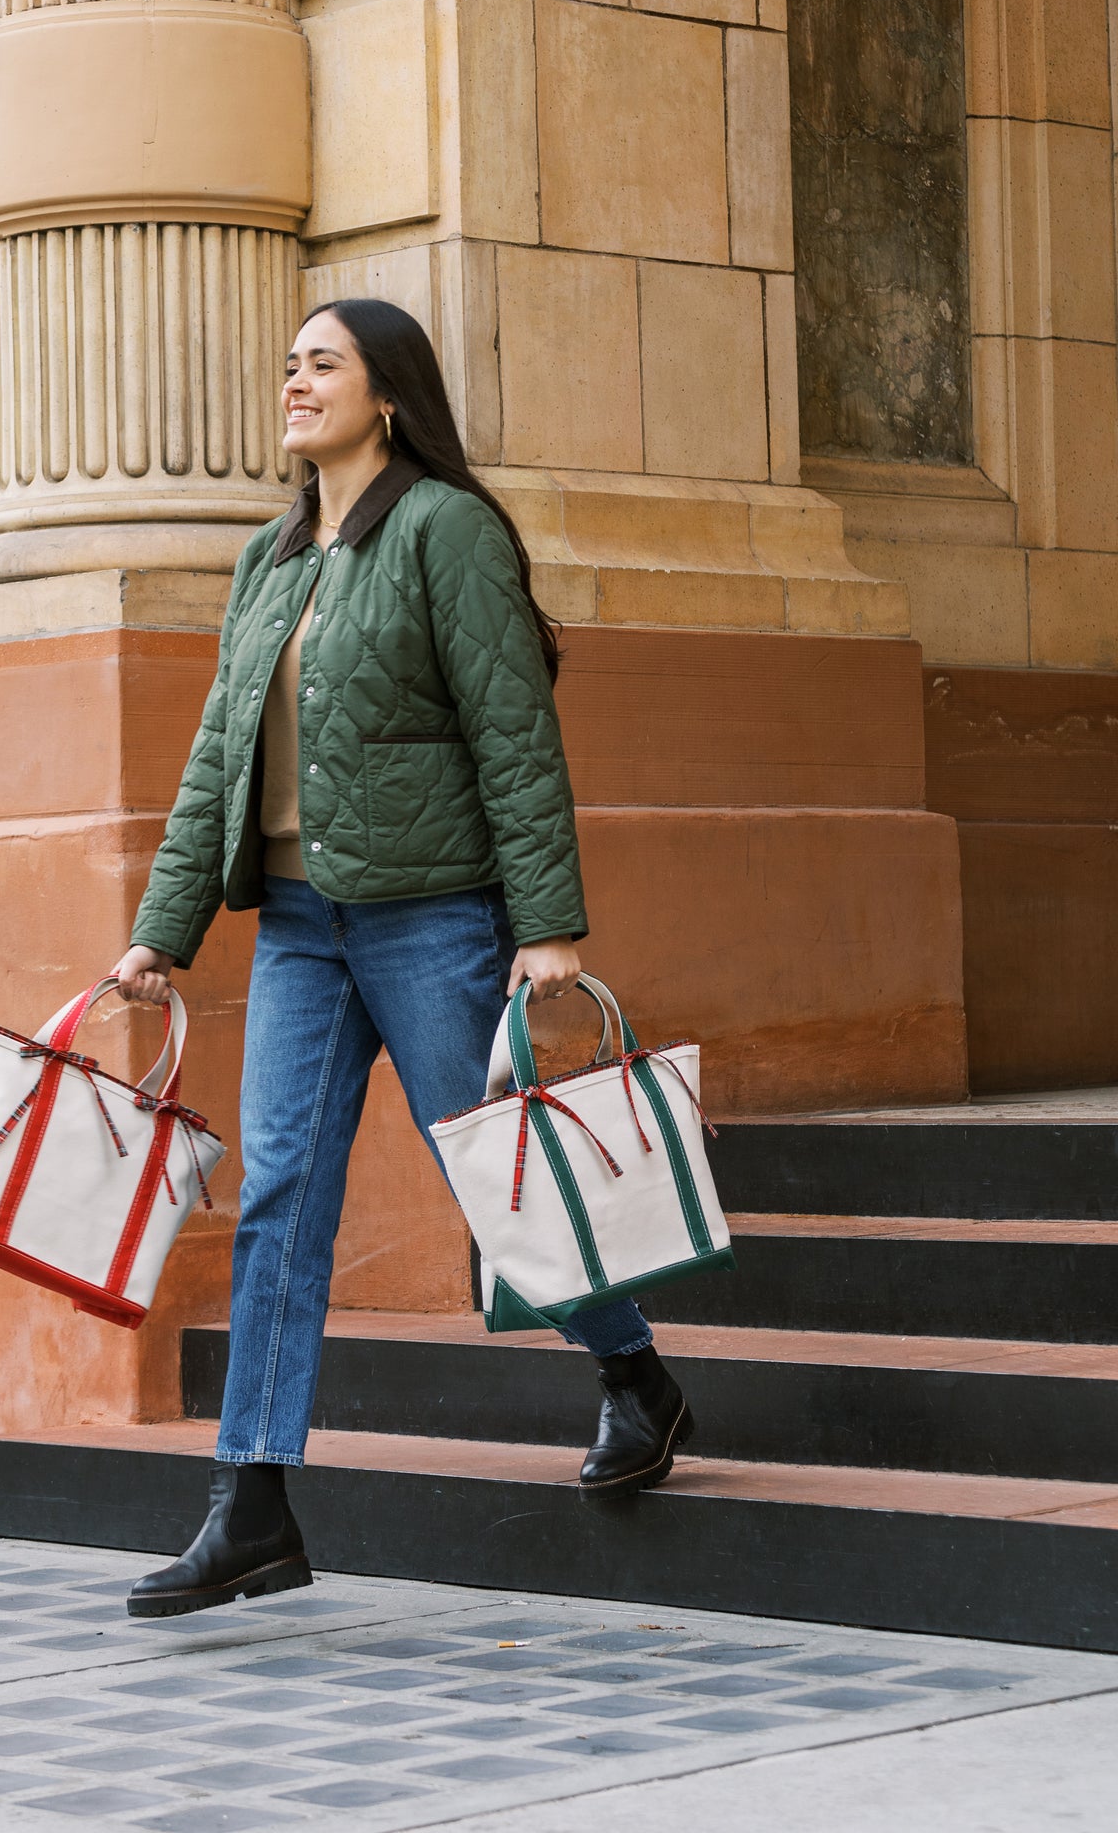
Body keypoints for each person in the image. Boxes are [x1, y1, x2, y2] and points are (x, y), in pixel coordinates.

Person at [114, 298, 694, 1617]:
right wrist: (161, 930)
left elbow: (510, 732)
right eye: (288, 365)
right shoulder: (270, 557)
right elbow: (219, 754)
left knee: (503, 1183)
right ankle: (250, 1503)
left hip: (433, 917)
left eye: (322, 363)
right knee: (280, 1205)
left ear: (389, 395)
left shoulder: (446, 530)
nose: (294, 381)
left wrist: (545, 927)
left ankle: (633, 1374)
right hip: (301, 934)